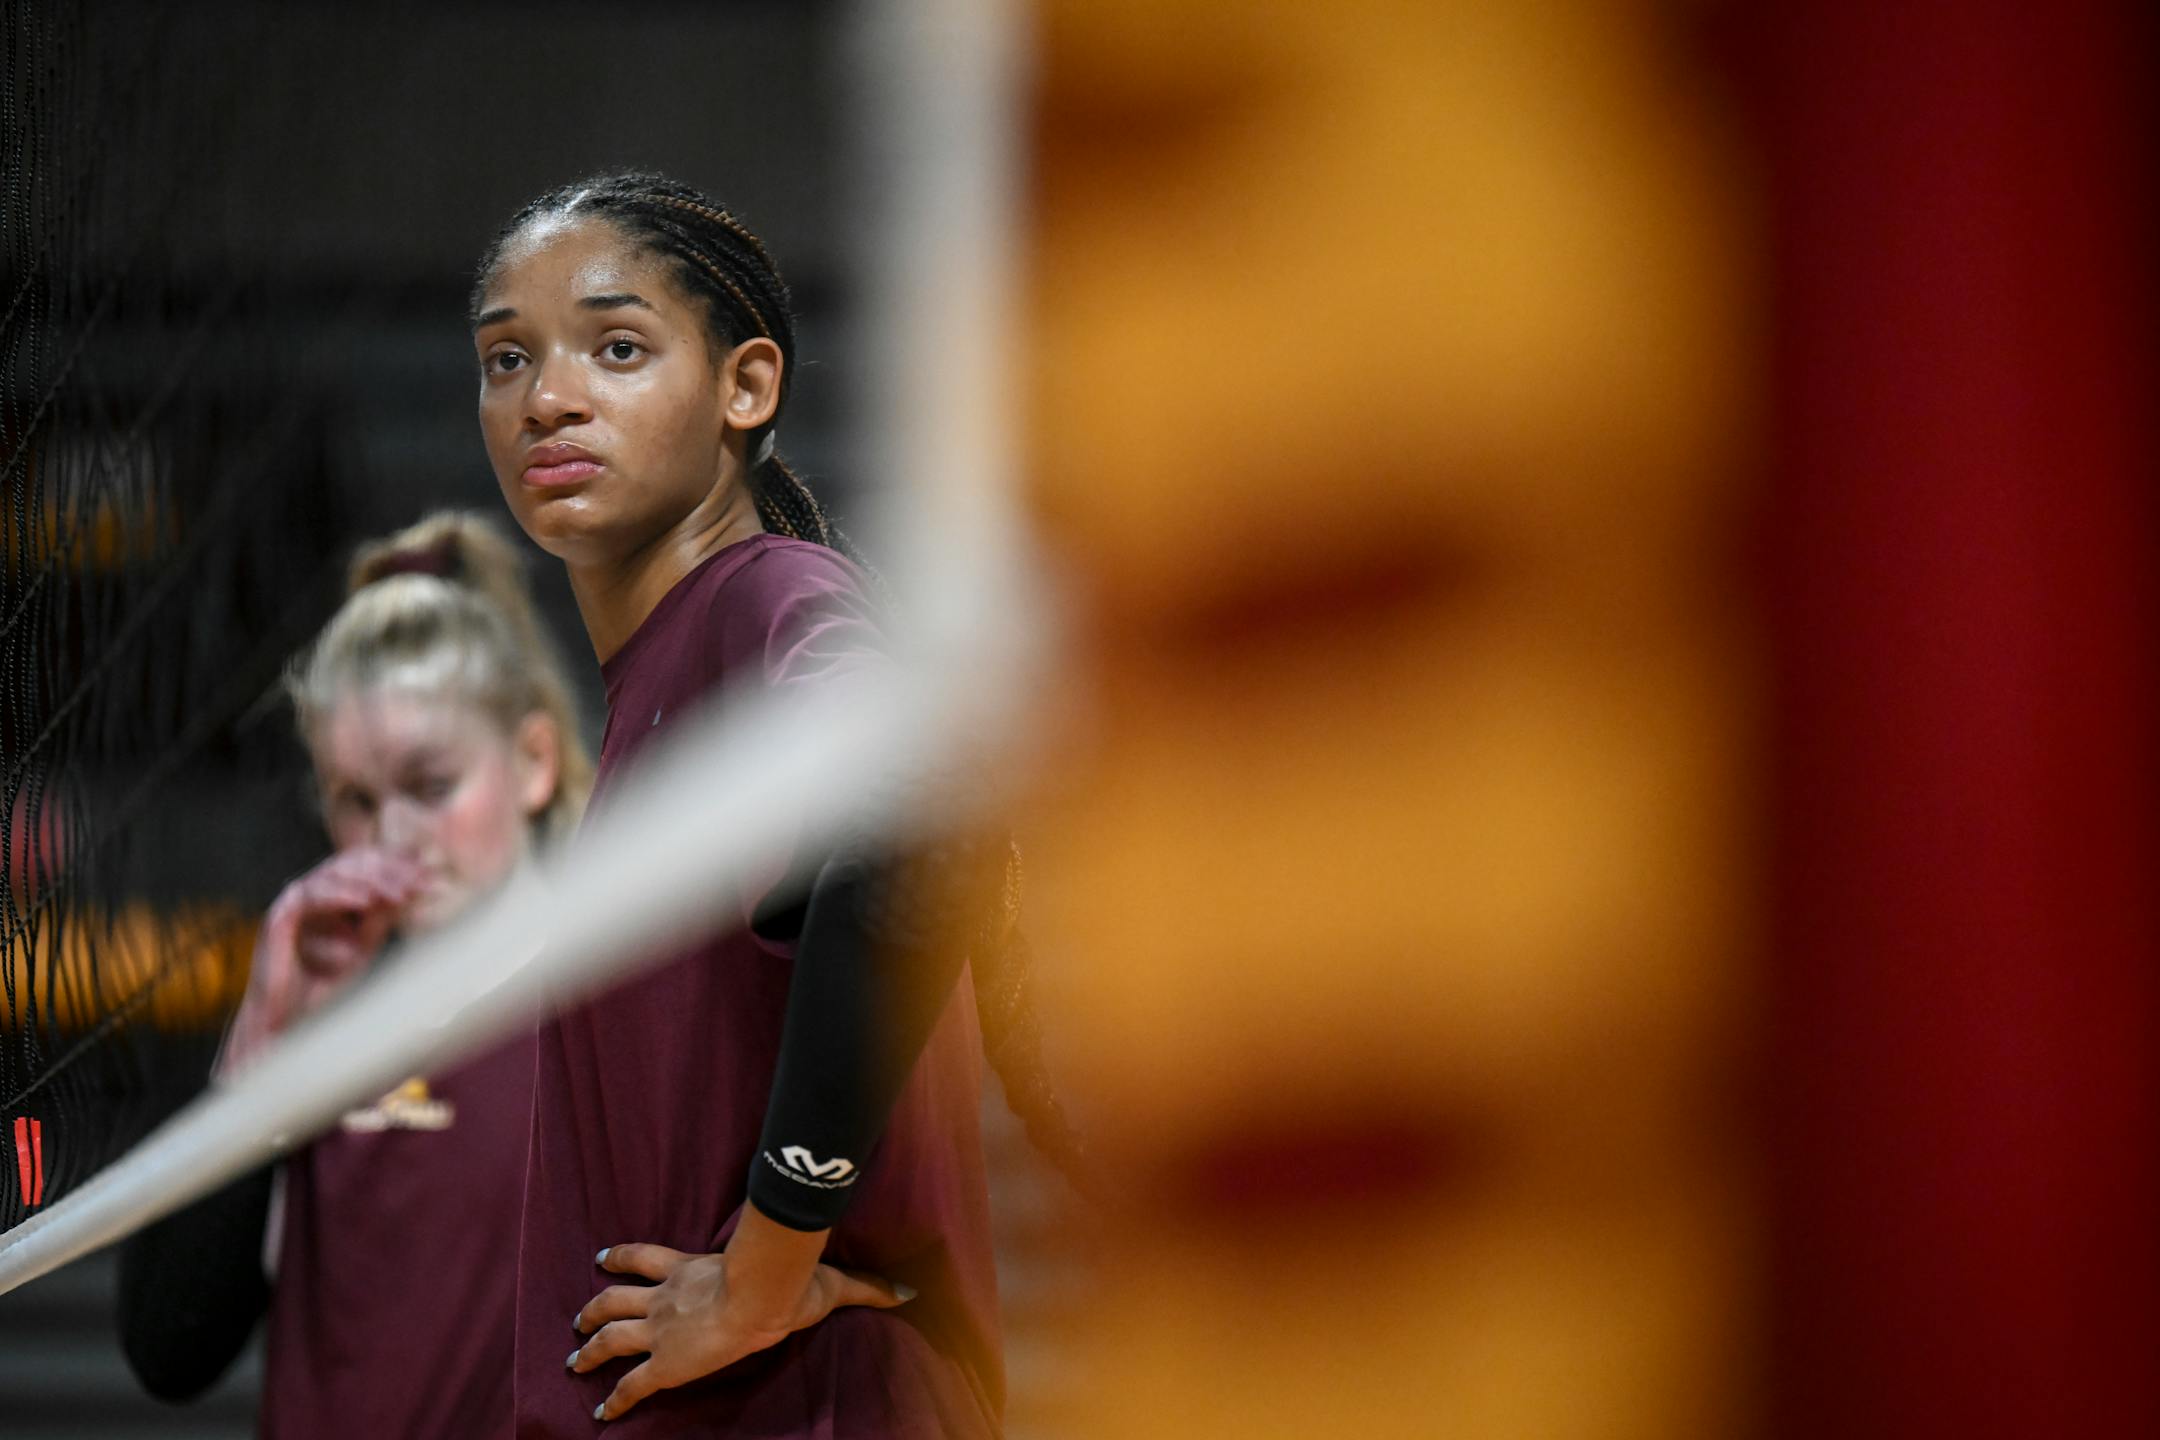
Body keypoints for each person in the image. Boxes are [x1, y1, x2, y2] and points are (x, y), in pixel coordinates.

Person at [470, 172, 1082, 1437]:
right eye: (506, 359)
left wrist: (762, 1272)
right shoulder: (669, 683)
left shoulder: (770, 600)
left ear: (745, 389)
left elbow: (920, 818)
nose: (548, 398)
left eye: (617, 346)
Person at [117, 512, 594, 1440]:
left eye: (430, 786)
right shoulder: (308, 1022)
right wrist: (265, 1042)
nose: (394, 838)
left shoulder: (623, 1006)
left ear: (532, 762)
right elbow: (167, 1350)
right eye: (357, 801)